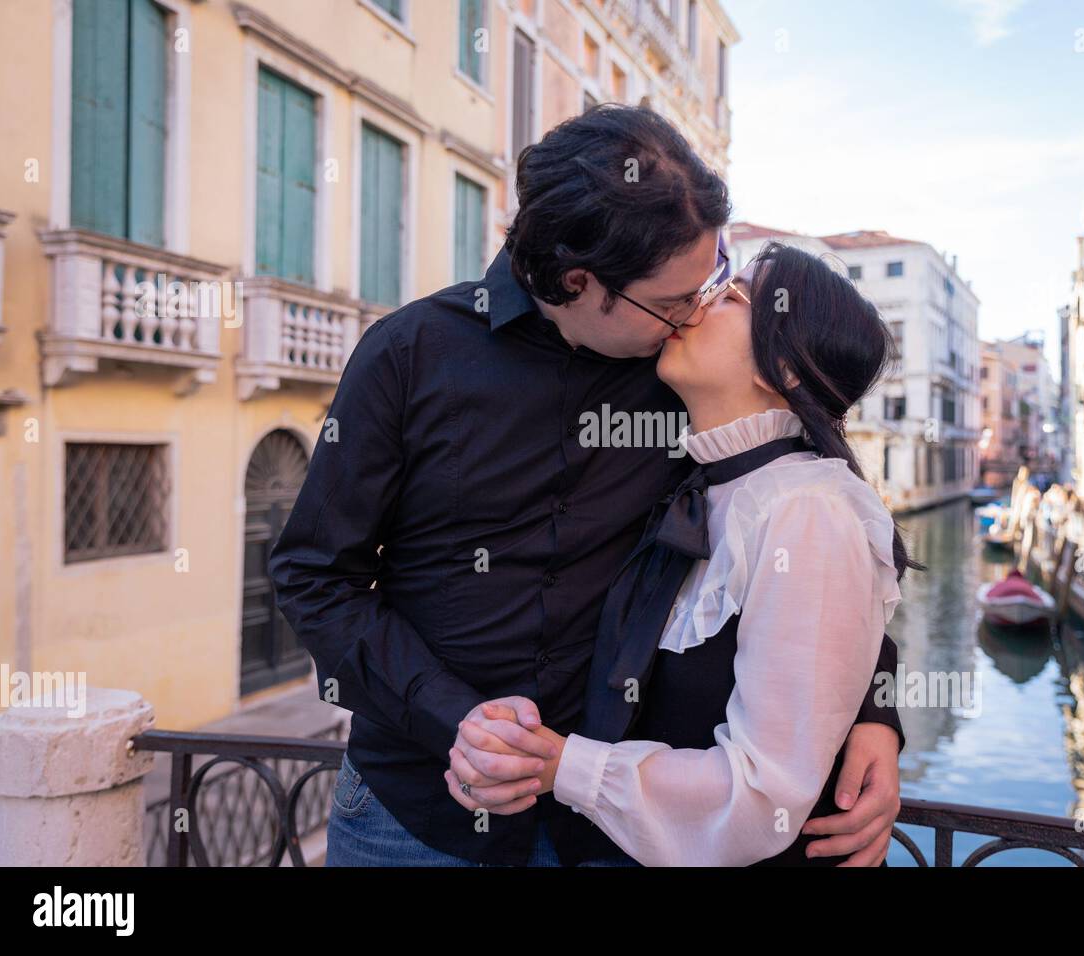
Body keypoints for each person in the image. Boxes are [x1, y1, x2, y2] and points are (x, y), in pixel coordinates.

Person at [269, 105, 905, 867]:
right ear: (581, 282)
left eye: (714, 287)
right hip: (410, 813)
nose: (691, 313)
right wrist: (455, 719)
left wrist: (874, 710)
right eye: (673, 300)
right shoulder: (408, 354)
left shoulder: (684, 379)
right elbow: (314, 575)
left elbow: (808, 536)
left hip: (602, 832)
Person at [447, 242, 920, 866]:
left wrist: (562, 765)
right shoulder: (706, 470)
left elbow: (762, 791)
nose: (696, 304)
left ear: (784, 371)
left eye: (730, 296)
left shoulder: (808, 510)